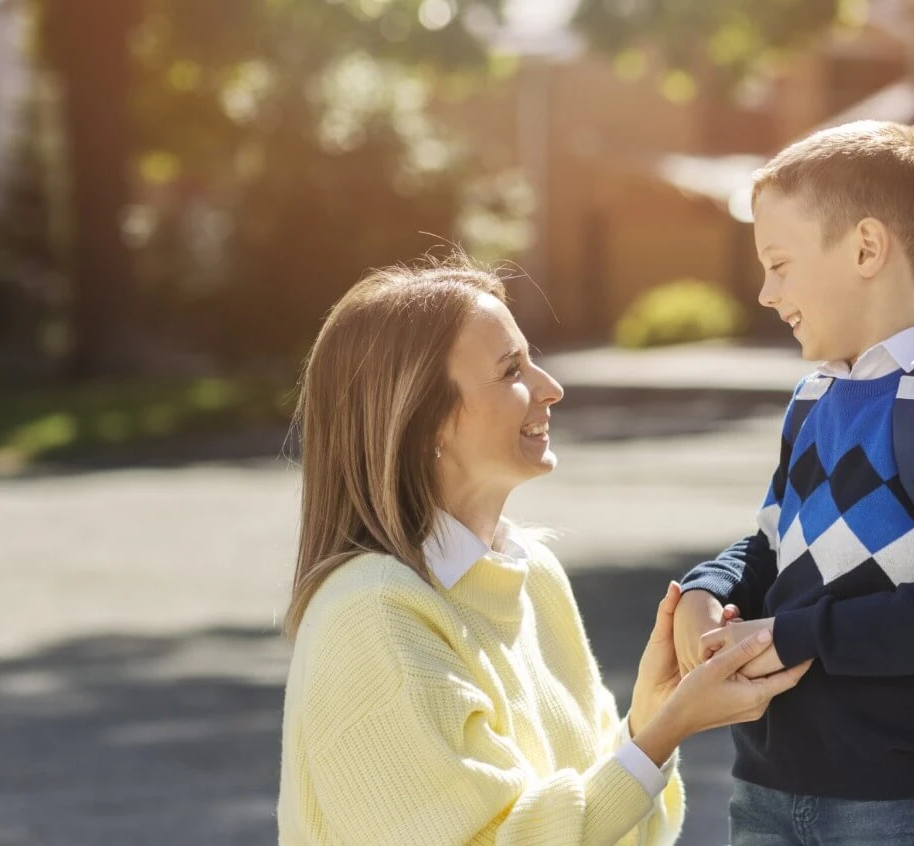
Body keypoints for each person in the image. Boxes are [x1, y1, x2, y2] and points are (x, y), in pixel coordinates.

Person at [277, 261, 811, 845]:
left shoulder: (533, 574)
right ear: (422, 420)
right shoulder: (373, 614)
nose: (550, 386)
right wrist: (664, 733)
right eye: (512, 370)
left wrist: (651, 721)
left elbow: (624, 833)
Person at [672, 121, 914, 845]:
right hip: (765, 782)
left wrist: (795, 637)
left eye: (780, 264)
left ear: (867, 249)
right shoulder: (813, 396)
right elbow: (773, 545)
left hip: (890, 797)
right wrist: (707, 589)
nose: (765, 291)